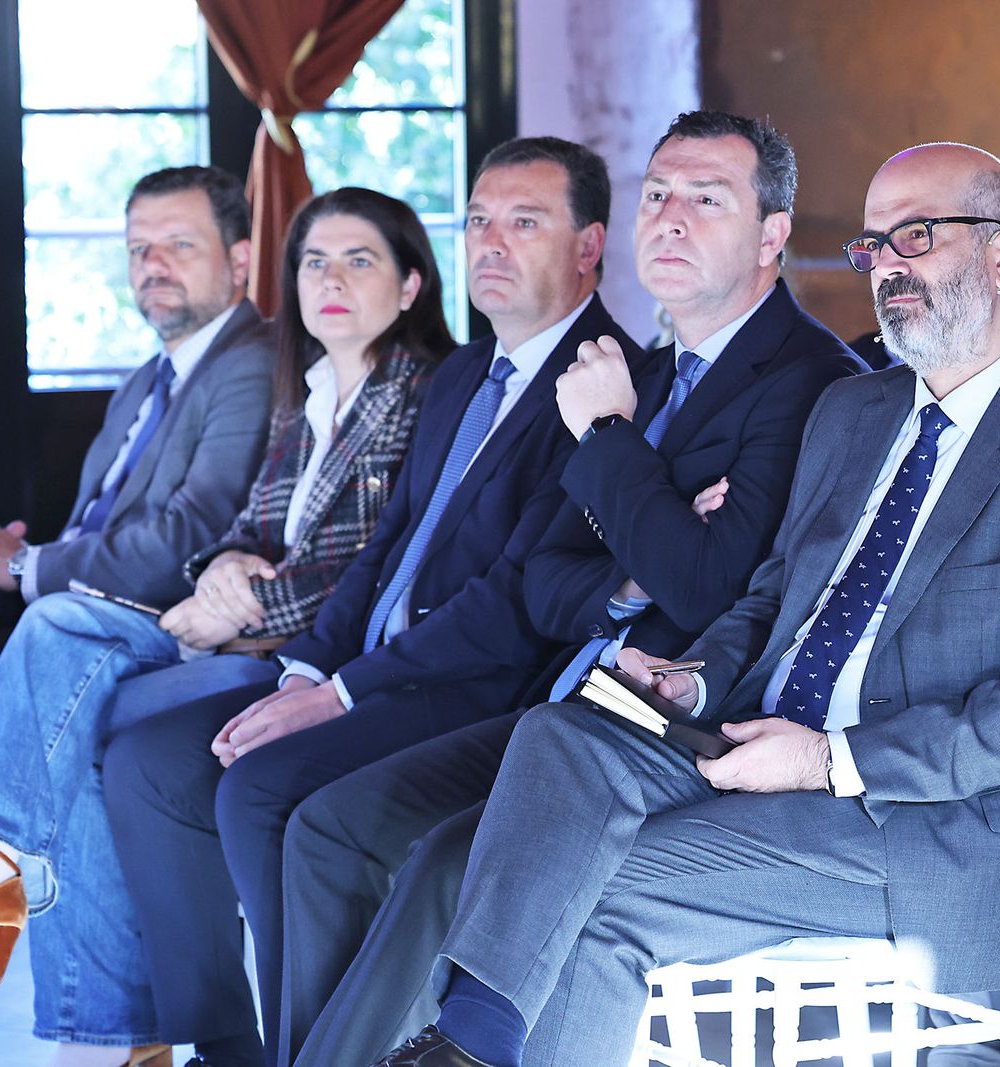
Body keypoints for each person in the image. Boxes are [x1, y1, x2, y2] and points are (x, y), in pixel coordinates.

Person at [346, 140, 1000, 1067]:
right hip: (753, 742)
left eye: (917, 238)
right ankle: (472, 1041)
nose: (887, 266)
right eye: (874, 246)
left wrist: (826, 758)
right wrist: (698, 678)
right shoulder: (857, 410)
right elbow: (778, 593)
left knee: (603, 891)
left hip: (924, 827)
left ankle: (474, 1047)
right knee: (559, 734)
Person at [261, 109, 866, 1066]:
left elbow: (710, 590)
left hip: (666, 727)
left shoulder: (811, 380)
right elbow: (542, 580)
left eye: (708, 199)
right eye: (659, 194)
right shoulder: (641, 372)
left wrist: (611, 445)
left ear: (773, 234)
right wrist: (640, 547)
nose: (670, 217)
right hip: (567, 690)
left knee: (439, 867)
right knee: (333, 827)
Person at [98, 137, 641, 1067]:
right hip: (363, 666)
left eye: (526, 222)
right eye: (478, 221)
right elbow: (388, 548)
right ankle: (225, 1047)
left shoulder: (607, 381)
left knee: (262, 791)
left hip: (472, 685)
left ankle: (310, 1054)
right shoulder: (464, 374)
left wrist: (340, 693)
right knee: (150, 761)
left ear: (588, 246)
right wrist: (311, 668)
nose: (493, 245)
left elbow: (514, 601)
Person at [0, 165, 275, 631]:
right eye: (139, 249)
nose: (153, 265)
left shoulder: (254, 364)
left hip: (161, 619)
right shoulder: (141, 384)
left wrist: (23, 564)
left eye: (181, 245)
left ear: (240, 260)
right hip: (70, 604)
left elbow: (193, 541)